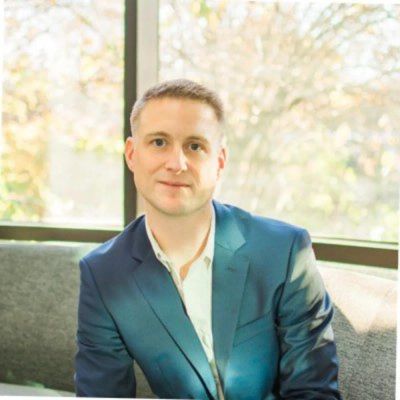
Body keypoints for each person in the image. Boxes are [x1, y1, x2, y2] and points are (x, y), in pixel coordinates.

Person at [74, 79, 341, 399]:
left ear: (220, 161)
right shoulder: (103, 274)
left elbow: (313, 392)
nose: (176, 164)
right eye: (159, 142)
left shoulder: (284, 252)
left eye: (195, 146)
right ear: (132, 154)